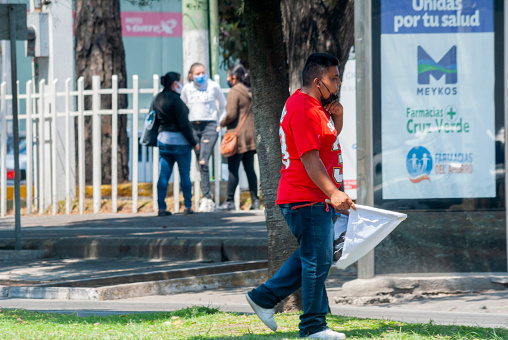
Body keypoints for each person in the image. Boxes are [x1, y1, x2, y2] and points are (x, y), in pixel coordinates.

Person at [245, 53, 356, 339]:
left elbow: (327, 143)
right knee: (317, 260)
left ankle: (263, 298)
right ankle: (312, 327)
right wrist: (333, 192)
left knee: (314, 257)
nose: (338, 82)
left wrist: (338, 116)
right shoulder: (304, 109)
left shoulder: (314, 106)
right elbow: (309, 158)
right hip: (306, 198)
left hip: (311, 197)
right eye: (334, 78)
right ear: (318, 82)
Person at [181, 63, 227, 212]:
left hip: (209, 126)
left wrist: (219, 123)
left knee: (203, 159)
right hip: (193, 126)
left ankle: (207, 198)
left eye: (203, 72)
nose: (201, 76)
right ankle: (206, 197)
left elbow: (224, 105)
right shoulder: (187, 88)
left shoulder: (213, 86)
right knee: (200, 164)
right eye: (198, 73)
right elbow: (182, 106)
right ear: (191, 75)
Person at [155, 72, 199, 216]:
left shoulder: (157, 99)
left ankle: (161, 207)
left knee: (163, 175)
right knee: (185, 174)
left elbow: (152, 120)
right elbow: (183, 124)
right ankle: (187, 206)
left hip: (163, 140)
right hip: (180, 142)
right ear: (175, 84)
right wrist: (194, 142)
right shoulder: (176, 100)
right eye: (180, 82)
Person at [218, 64, 260, 211]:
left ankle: (229, 201)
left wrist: (221, 123)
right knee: (249, 169)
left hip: (236, 137)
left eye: (228, 76)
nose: (227, 79)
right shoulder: (250, 91)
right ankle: (255, 201)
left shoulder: (234, 92)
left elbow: (231, 114)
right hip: (249, 138)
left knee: (233, 169)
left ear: (234, 78)